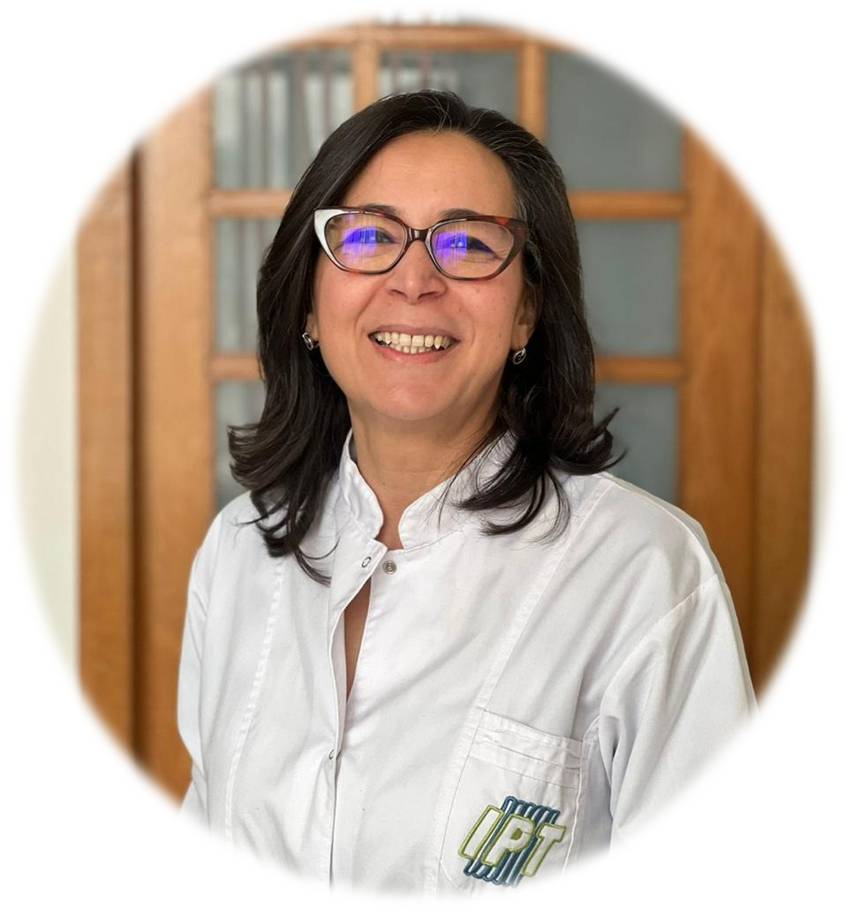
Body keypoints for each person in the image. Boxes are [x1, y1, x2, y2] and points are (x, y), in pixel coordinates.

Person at [176, 89, 756, 895]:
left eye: (468, 244)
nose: (415, 280)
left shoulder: (647, 573)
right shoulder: (239, 548)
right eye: (369, 236)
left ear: (527, 313)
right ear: (308, 300)